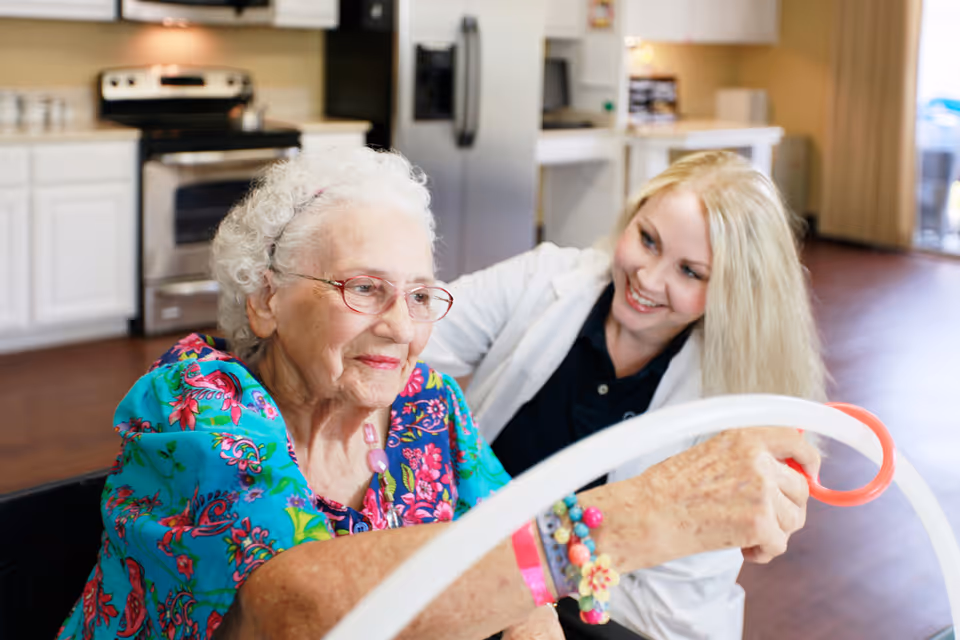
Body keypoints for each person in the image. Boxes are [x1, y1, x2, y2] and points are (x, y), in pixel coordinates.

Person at [56, 148, 820, 640]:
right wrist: (634, 519)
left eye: (422, 295)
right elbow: (298, 610)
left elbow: (525, 593)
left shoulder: (428, 410)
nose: (400, 327)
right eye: (364, 288)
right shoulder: (197, 406)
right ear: (265, 300)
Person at [422, 150, 827, 640]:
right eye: (647, 240)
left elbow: (666, 602)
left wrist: (524, 592)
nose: (649, 279)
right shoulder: (544, 279)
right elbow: (409, 337)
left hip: (622, 622)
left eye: (690, 272)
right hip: (479, 585)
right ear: (631, 217)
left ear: (730, 292)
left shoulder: (734, 403)